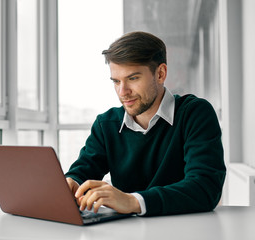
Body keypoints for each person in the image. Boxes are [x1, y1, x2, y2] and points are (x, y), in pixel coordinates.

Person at [65, 31, 226, 217]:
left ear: (160, 73)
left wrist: (132, 201)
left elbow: (205, 188)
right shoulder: (106, 124)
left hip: (185, 230)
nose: (122, 91)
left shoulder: (195, 114)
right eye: (116, 81)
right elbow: (82, 171)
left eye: (133, 78)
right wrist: (72, 183)